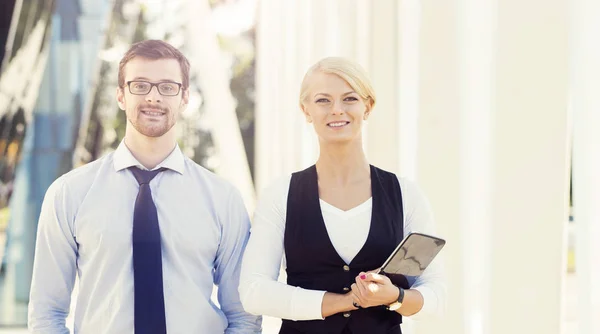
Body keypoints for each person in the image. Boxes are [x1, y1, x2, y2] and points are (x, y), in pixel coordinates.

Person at [28, 40, 261, 334]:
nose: (153, 97)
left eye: (167, 87)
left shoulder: (222, 198)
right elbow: (46, 312)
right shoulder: (69, 194)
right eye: (140, 85)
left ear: (184, 96)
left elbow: (243, 315)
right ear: (121, 96)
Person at [239, 57, 445, 334]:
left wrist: (395, 297)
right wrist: (342, 301)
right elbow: (254, 291)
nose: (337, 110)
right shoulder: (281, 195)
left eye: (349, 99)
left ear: (367, 106)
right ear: (306, 109)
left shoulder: (405, 194)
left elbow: (436, 295)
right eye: (323, 100)